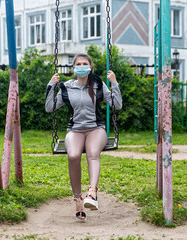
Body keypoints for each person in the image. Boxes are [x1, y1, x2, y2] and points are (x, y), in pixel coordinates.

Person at [45, 53, 122, 222]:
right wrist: (51, 85)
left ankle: (92, 192)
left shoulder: (98, 84)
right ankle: (78, 199)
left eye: (84, 63)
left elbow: (117, 104)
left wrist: (114, 83)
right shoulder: (66, 87)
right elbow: (50, 107)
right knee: (73, 156)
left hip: (96, 129)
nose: (81, 66)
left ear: (90, 67)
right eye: (78, 64)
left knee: (92, 153)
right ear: (73, 68)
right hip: (75, 130)